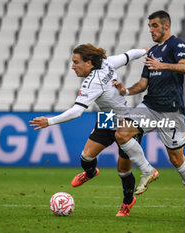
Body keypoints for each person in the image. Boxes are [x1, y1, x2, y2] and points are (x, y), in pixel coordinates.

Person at [29, 43, 147, 217]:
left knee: (123, 171)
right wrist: (144, 51)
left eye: (76, 62)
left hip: (126, 122)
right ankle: (90, 172)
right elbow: (129, 55)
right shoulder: (106, 64)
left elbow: (77, 112)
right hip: (106, 119)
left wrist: (50, 121)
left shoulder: (93, 80)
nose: (72, 66)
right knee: (86, 157)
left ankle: (128, 202)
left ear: (89, 62)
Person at [113, 10, 185, 218]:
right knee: (121, 133)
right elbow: (143, 84)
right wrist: (126, 90)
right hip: (150, 106)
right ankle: (148, 170)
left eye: (154, 25)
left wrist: (162, 65)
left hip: (170, 111)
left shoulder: (177, 44)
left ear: (166, 26)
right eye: (149, 26)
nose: (151, 30)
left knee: (176, 159)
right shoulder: (152, 51)